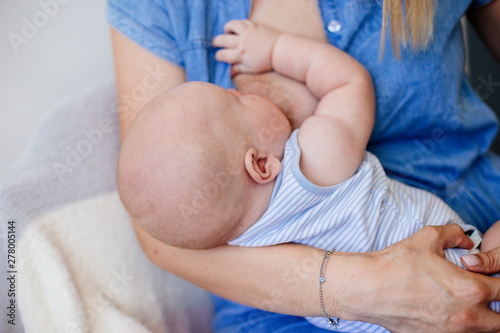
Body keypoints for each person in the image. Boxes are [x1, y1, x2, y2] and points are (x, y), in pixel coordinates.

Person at [108, 0, 500, 331]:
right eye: (238, 101)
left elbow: (166, 224)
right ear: (262, 165)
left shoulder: (236, 230)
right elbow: (347, 84)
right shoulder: (313, 162)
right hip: (459, 255)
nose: (236, 88)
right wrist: (275, 49)